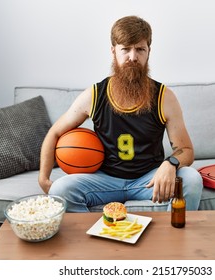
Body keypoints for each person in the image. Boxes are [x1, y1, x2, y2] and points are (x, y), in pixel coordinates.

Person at [38, 15, 203, 212]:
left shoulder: (164, 97)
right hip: (104, 180)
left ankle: (172, 239)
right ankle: (93, 236)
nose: (133, 57)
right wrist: (44, 178)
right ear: (113, 51)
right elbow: (54, 133)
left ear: (149, 52)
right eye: (126, 49)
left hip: (149, 179)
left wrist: (171, 164)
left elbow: (186, 150)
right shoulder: (94, 95)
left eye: (140, 49)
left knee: (192, 179)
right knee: (60, 188)